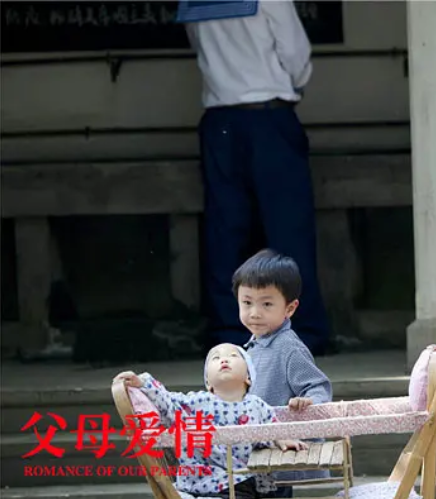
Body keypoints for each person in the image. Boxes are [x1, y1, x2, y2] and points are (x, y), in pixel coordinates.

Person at [176, 0, 330, 355]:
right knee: (289, 231)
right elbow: (296, 55)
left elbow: (198, 44)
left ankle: (228, 335)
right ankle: (300, 334)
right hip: (269, 117)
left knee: (225, 233)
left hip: (219, 119)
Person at [113, 343, 308, 499]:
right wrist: (144, 383)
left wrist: (281, 440)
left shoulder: (257, 405)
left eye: (233, 356)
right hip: (205, 480)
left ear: (248, 376)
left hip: (243, 478)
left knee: (279, 487)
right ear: (208, 382)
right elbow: (168, 402)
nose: (224, 359)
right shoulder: (196, 403)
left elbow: (271, 429)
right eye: (216, 358)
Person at [234, 249, 334, 496]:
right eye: (247, 303)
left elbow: (319, 386)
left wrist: (308, 401)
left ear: (289, 308)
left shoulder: (288, 346)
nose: (255, 313)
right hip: (260, 453)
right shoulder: (253, 345)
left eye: (267, 304)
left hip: (283, 455)